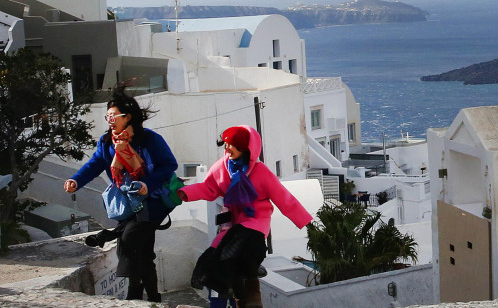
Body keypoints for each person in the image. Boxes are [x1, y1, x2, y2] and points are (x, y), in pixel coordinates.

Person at [179, 125, 312, 308]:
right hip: (233, 224)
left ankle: (244, 288)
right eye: (226, 145)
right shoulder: (222, 167)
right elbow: (208, 187)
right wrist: (185, 192)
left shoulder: (261, 172)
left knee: (232, 255)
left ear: (246, 148)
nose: (227, 149)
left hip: (256, 223)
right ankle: (231, 298)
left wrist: (306, 221)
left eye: (232, 145)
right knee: (214, 258)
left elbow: (284, 198)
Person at [64, 89, 178, 302]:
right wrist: (76, 181)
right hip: (128, 201)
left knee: (129, 238)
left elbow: (169, 165)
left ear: (128, 117)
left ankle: (135, 292)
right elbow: (94, 164)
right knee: (142, 250)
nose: (110, 121)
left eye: (113, 117)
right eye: (107, 117)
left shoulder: (150, 140)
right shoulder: (107, 142)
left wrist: (147, 184)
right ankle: (152, 297)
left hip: (152, 200)